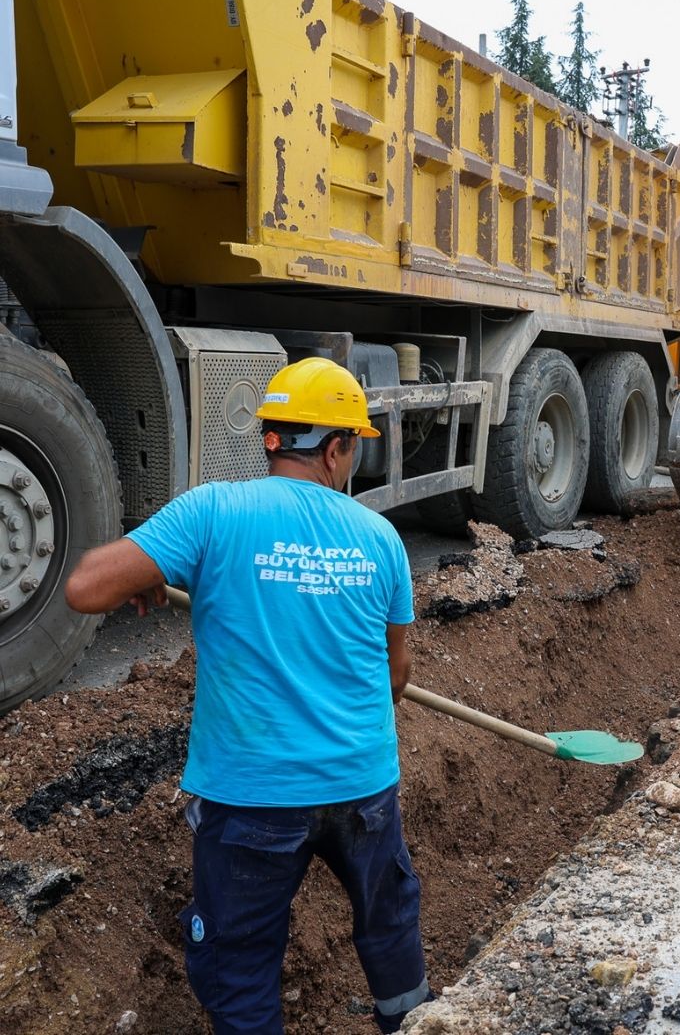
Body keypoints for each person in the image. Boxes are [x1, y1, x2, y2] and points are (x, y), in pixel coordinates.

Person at [65, 357, 433, 1034]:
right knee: (388, 922)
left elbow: (86, 588)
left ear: (270, 438)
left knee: (237, 965)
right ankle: (411, 1024)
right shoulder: (381, 539)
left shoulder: (215, 511)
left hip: (252, 795)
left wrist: (142, 574)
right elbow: (396, 677)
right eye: (353, 448)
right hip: (363, 786)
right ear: (335, 447)